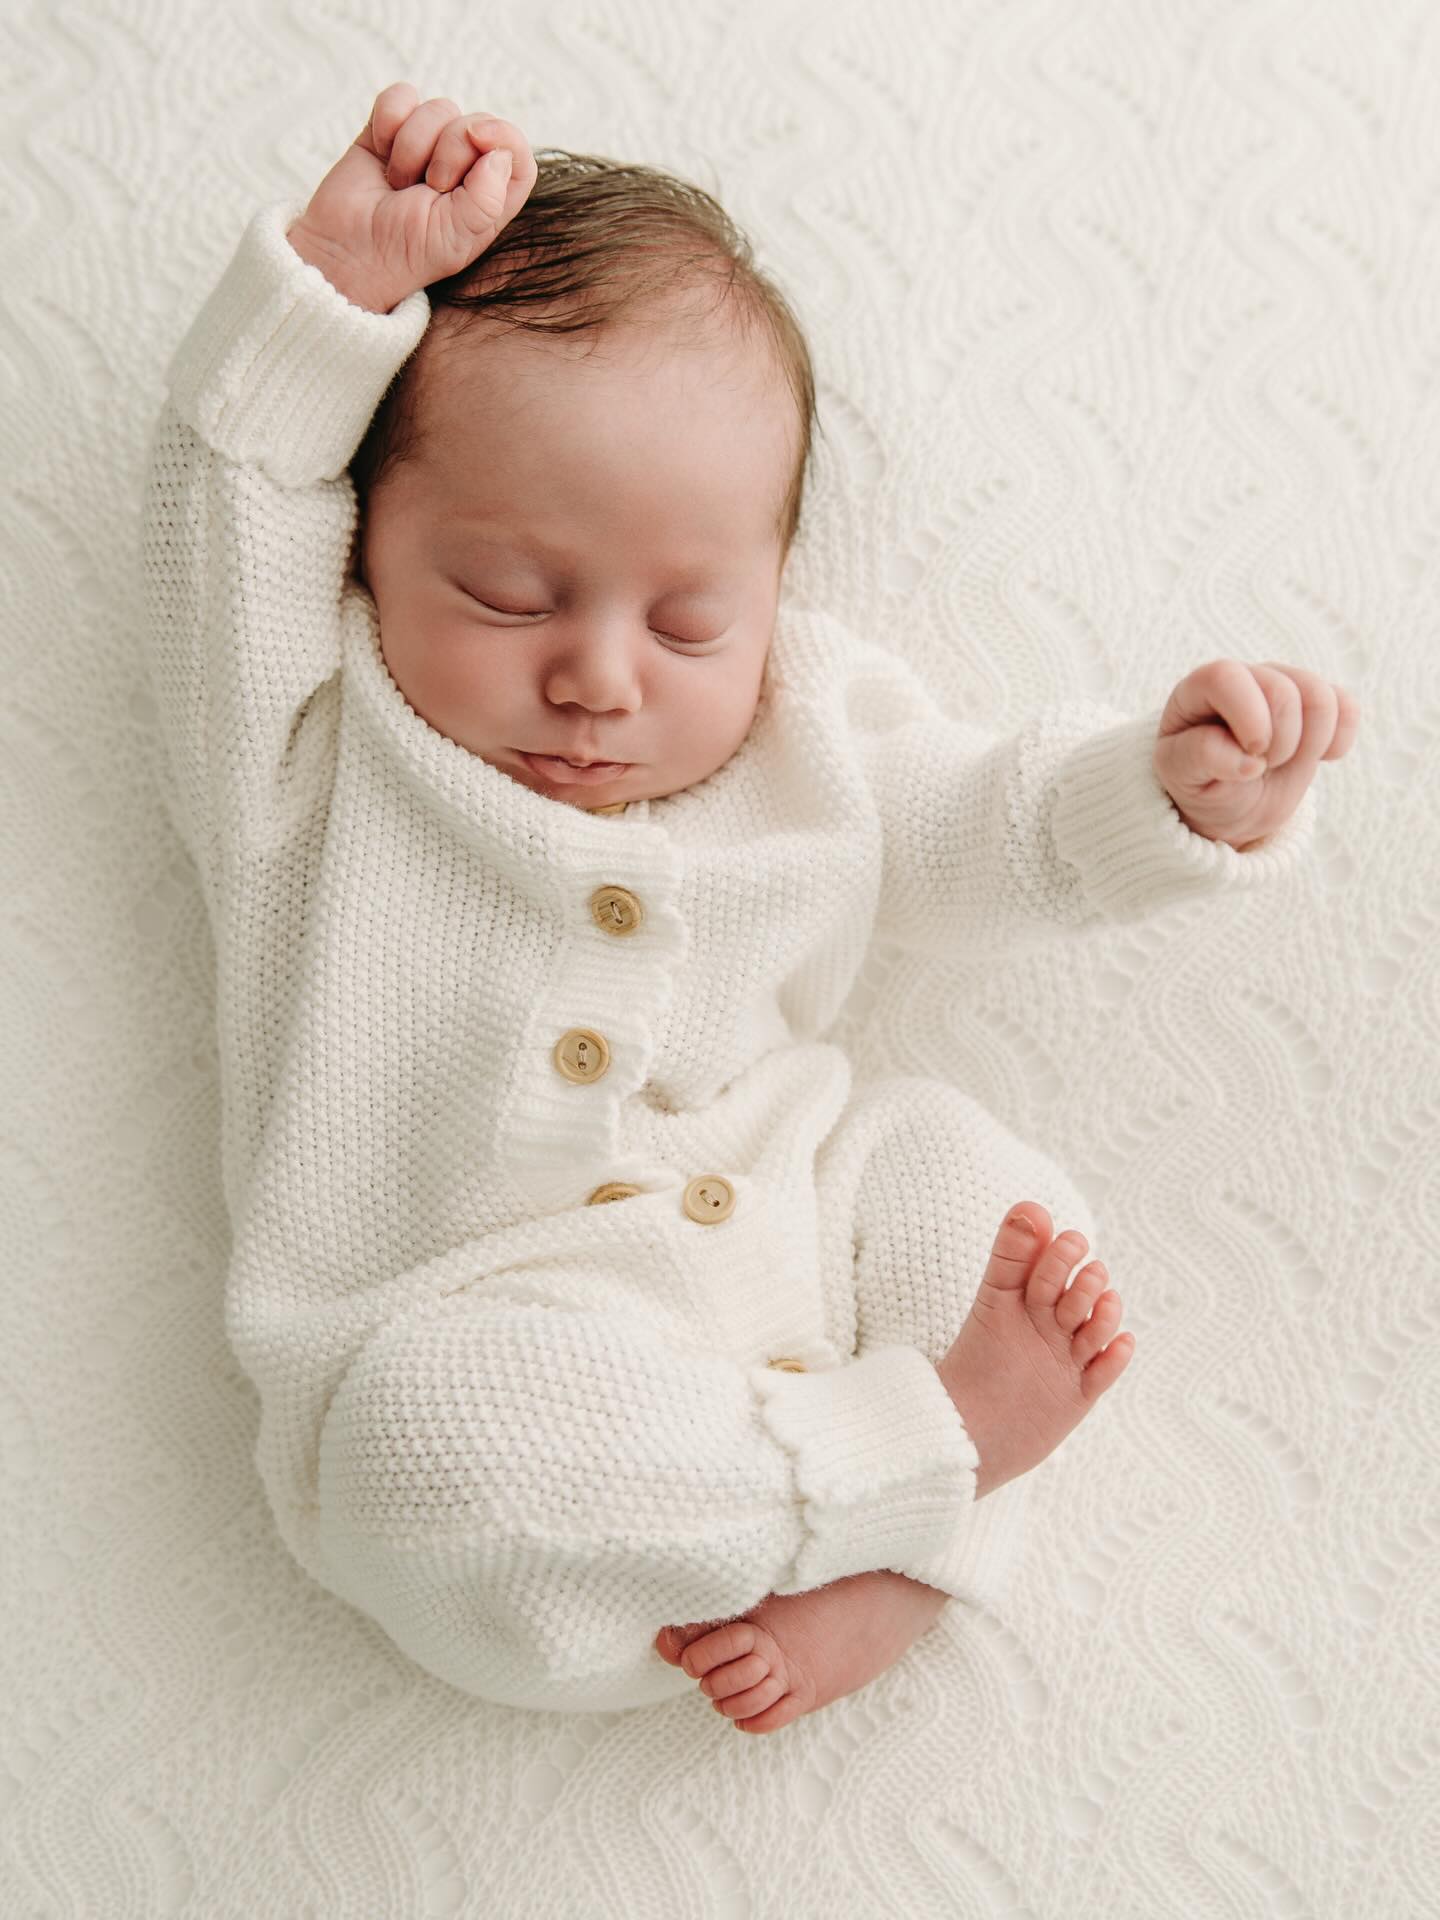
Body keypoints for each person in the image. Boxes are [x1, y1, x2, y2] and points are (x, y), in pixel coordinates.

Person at [140, 82, 1359, 1730]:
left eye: (692, 622)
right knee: (426, 1455)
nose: (593, 675)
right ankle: (909, 1479)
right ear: (368, 550)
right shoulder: (313, 757)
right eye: (505, 594)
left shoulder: (807, 735)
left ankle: (906, 1549)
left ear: (771, 600)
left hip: (799, 1239)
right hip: (499, 1362)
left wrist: (1165, 791)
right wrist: (336, 294)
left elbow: (990, 824)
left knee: (960, 1180)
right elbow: (226, 505)